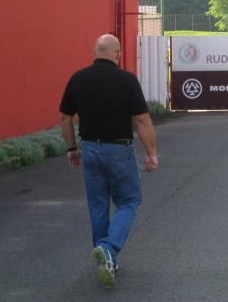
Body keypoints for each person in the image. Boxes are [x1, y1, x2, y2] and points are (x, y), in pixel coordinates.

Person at [59, 34, 159, 288]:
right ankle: (108, 247)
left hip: (91, 150)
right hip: (119, 151)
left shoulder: (77, 78)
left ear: (95, 51)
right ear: (117, 54)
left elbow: (65, 118)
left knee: (98, 205)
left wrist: (72, 148)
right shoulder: (127, 80)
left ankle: (107, 261)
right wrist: (152, 152)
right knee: (129, 201)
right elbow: (142, 120)